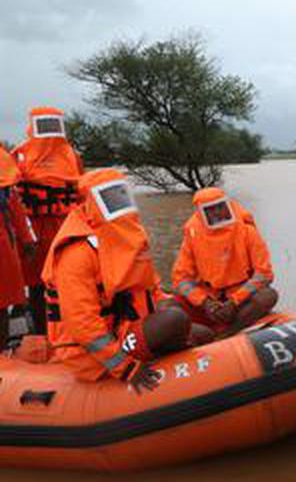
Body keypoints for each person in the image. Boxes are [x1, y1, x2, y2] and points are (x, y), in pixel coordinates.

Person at [44, 169, 207, 391]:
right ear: (91, 203)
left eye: (122, 195)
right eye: (110, 198)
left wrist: (164, 302)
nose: (119, 202)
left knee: (200, 331)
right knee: (175, 320)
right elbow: (82, 325)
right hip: (87, 352)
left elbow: (150, 287)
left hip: (124, 326)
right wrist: (125, 367)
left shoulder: (124, 237)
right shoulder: (77, 253)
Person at [14, 106, 84, 335]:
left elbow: (82, 190)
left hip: (64, 224)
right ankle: (43, 332)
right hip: (38, 227)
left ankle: (65, 330)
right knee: (37, 282)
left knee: (66, 277)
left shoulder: (71, 155)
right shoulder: (20, 155)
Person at [172, 188, 278, 335]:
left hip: (241, 300)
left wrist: (234, 302)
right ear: (200, 213)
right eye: (210, 209)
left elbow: (264, 274)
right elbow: (181, 278)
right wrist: (204, 302)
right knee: (168, 307)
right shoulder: (193, 235)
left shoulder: (247, 231)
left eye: (220, 206)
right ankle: (200, 335)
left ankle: (227, 334)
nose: (217, 212)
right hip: (208, 301)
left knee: (268, 296)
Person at [0, 144, 36, 347]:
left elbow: (17, 211)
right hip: (4, 245)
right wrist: (27, 240)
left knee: (2, 306)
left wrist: (27, 240)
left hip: (4, 245)